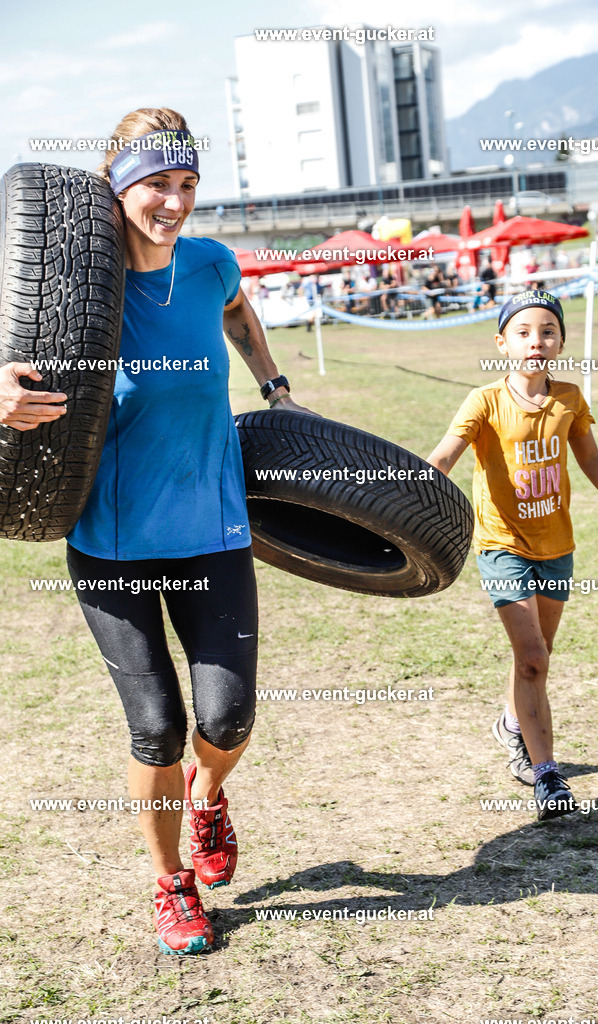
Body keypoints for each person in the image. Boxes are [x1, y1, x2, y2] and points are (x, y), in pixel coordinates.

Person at [26, 107, 311, 955]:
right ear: (117, 188)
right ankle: (170, 883)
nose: (174, 202)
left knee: (225, 721)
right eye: (157, 184)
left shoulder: (213, 261)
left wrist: (275, 382)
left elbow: (240, 316)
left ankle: (208, 795)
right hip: (110, 537)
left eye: (187, 185)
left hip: (212, 525)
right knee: (154, 724)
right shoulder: (78, 281)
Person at [427, 290, 598, 820]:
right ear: (502, 343)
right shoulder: (484, 401)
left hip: (557, 546)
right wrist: (405, 505)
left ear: (561, 340)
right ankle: (546, 776)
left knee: (534, 658)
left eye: (546, 331)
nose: (535, 341)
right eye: (522, 332)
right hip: (502, 545)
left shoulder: (569, 397)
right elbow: (445, 456)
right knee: (534, 657)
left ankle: (512, 724)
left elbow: (588, 453)